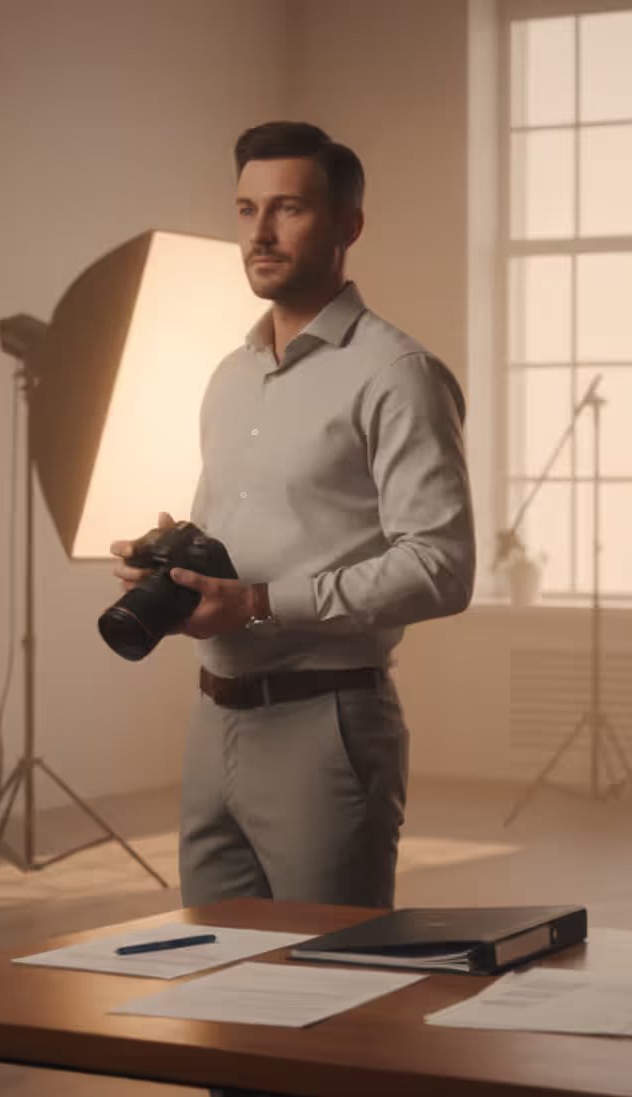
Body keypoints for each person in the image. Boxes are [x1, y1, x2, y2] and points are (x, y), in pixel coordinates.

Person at [111, 121, 474, 912]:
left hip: (327, 724)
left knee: (332, 983)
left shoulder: (397, 374)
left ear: (348, 225)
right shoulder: (228, 377)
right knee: (213, 980)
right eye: (246, 211)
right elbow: (233, 540)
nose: (261, 234)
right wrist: (172, 568)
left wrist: (263, 604)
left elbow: (442, 566)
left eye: (289, 209)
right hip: (213, 722)